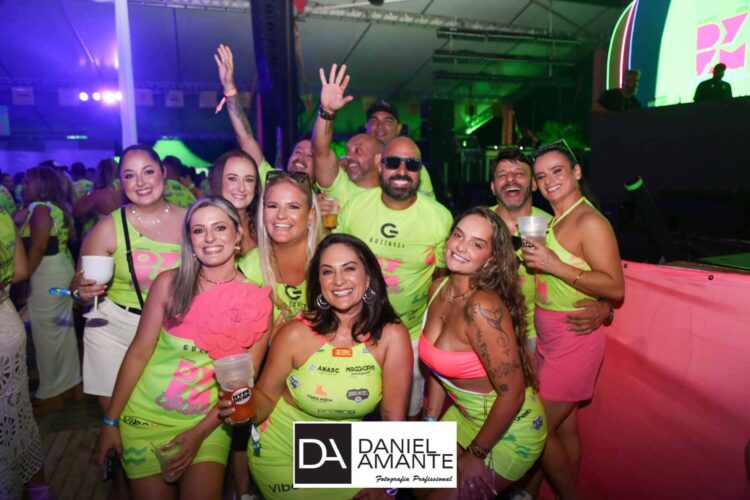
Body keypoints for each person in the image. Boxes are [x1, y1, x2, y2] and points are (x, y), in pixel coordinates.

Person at [95, 196, 273, 498]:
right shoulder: (169, 284)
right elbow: (138, 353)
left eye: (219, 228)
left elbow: (243, 386)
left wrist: (197, 434)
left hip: (209, 423)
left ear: (238, 234)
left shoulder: (257, 302)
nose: (210, 238)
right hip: (144, 418)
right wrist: (110, 421)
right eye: (199, 230)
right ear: (190, 240)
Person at [221, 233, 413, 499]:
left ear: (368, 277)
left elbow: (393, 420)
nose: (338, 280)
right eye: (327, 272)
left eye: (349, 268)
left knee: (430, 467)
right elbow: (266, 397)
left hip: (343, 448)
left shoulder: (392, 336)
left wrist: (388, 483)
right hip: (284, 452)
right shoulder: (295, 334)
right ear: (319, 282)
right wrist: (243, 406)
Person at [521, 140, 624, 500]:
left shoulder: (589, 222)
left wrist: (555, 265)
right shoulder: (552, 221)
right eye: (541, 176)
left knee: (533, 428)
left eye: (557, 171)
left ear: (577, 172)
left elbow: (615, 286)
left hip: (574, 339)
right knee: (564, 430)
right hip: (549, 340)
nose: (549, 180)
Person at [420, 208, 547, 499]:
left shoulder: (482, 308)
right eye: (458, 235)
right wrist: (430, 422)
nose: (460, 247)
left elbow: (513, 395)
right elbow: (437, 368)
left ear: (491, 259)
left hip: (511, 429)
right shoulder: (438, 287)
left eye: (476, 244)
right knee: (414, 485)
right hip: (464, 415)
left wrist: (476, 454)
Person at [336, 136, 452, 418]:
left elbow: (441, 278)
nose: (402, 171)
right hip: (355, 329)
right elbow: (336, 262)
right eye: (393, 162)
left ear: (420, 171)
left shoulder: (440, 218)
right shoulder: (355, 207)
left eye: (411, 165)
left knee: (403, 418)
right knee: (347, 409)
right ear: (380, 164)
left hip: (411, 335)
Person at [72, 145, 185, 412]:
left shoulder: (191, 221)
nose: (141, 182)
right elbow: (76, 289)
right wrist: (81, 292)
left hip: (174, 330)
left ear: (163, 172)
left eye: (148, 172)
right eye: (129, 175)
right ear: (121, 183)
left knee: (167, 415)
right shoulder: (108, 228)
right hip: (115, 331)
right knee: (118, 418)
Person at [489, 148, 612, 355]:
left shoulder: (553, 225)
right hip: (486, 330)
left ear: (533, 184)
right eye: (502, 175)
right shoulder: (477, 225)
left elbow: (604, 271)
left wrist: (605, 306)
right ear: (493, 187)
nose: (511, 180)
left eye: (519, 174)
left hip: (536, 335)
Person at [20, 166, 82, 414]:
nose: (23, 187)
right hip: (59, 269)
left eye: (28, 182)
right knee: (62, 332)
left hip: (45, 272)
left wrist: (24, 277)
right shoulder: (55, 207)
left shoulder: (40, 208)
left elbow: (39, 246)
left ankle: (50, 394)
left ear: (40, 185)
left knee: (46, 335)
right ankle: (71, 387)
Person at [0, 209, 48, 499]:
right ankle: (38, 488)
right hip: (7, 322)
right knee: (17, 413)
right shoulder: (4, 215)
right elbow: (20, 271)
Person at [238, 171, 321, 328]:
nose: (281, 215)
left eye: (293, 207)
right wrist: (269, 339)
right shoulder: (247, 269)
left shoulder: (329, 262)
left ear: (310, 215)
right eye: (273, 206)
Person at [209, 149, 260, 255]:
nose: (241, 188)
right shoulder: (205, 226)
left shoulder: (263, 225)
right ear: (217, 181)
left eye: (249, 180)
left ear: (255, 186)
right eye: (232, 179)